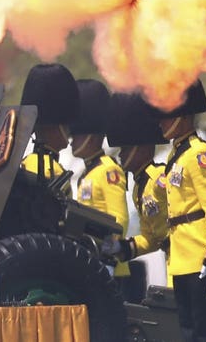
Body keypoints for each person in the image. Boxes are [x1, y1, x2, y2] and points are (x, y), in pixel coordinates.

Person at [158, 80, 206, 342]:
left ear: (184, 117)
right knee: (189, 333)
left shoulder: (200, 155)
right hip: (182, 259)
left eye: (167, 117)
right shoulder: (174, 157)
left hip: (202, 258)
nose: (162, 123)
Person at [101, 92, 171, 291]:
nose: (121, 155)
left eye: (125, 149)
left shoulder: (159, 180)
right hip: (172, 261)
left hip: (188, 260)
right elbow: (151, 238)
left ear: (141, 148)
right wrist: (123, 247)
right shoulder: (139, 187)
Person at [70, 79, 129, 283]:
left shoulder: (108, 171)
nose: (71, 140)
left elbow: (119, 219)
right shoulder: (87, 174)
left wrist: (109, 257)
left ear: (93, 137)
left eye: (77, 135)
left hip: (109, 266)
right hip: (92, 263)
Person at [19, 63, 77, 196]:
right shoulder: (50, 169)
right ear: (54, 127)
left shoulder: (27, 162)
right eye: (65, 125)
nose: (69, 130)